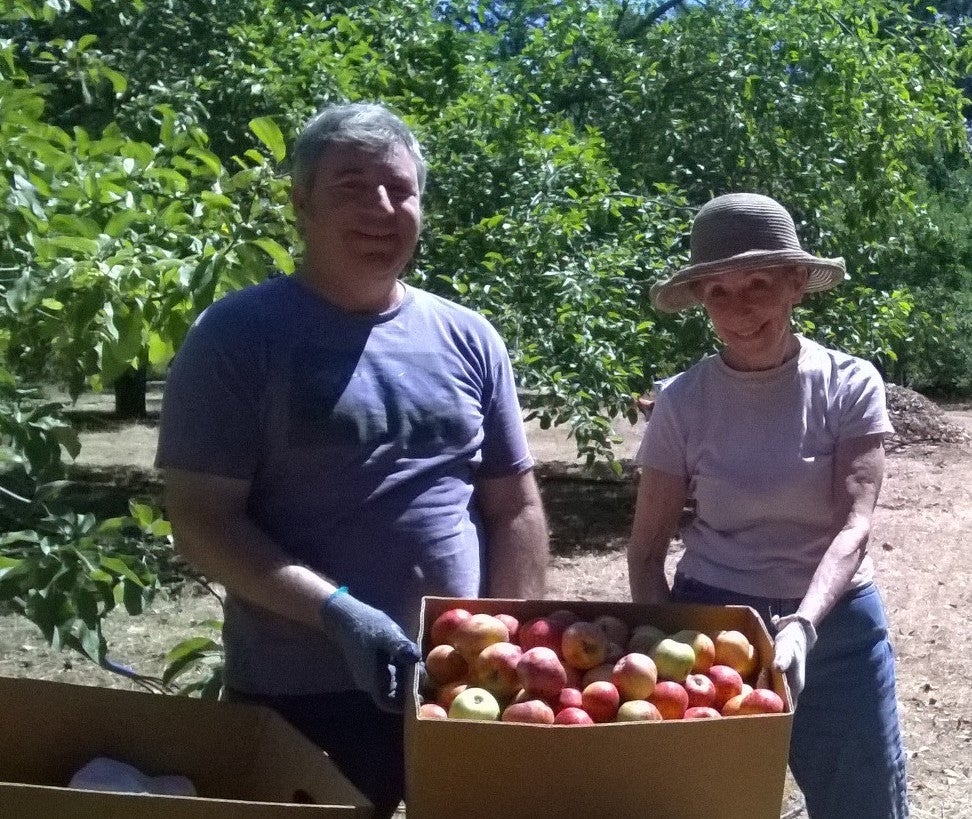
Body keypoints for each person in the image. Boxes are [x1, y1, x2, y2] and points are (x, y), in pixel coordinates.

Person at [155, 102, 548, 818]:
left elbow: (513, 505)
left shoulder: (469, 337)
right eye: (350, 185)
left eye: (400, 188)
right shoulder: (238, 337)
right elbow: (203, 521)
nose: (381, 207)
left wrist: (504, 638)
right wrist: (339, 614)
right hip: (300, 692)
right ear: (301, 204)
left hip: (457, 687)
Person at [627, 192, 908, 818]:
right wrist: (658, 639)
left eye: (758, 283)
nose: (739, 308)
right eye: (719, 292)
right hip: (714, 628)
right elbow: (647, 546)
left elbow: (855, 523)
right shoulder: (683, 400)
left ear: (796, 284)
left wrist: (805, 623)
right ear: (700, 299)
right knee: (711, 804)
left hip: (835, 628)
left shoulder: (848, 382)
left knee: (862, 803)